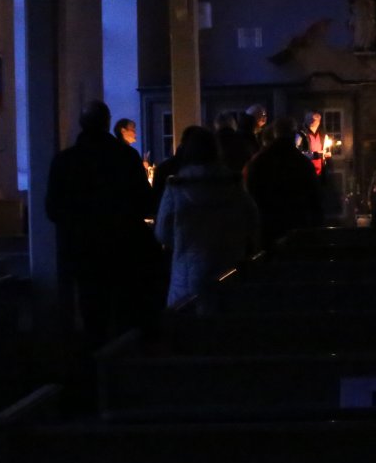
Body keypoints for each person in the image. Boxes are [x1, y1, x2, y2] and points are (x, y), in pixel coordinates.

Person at [44, 100, 158, 346]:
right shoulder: (125, 157)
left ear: (81, 125)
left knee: (91, 314)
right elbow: (146, 202)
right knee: (124, 313)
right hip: (122, 246)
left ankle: (93, 367)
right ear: (108, 124)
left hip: (82, 248)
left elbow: (52, 210)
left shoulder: (65, 161)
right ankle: (124, 367)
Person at [155, 126, 260, 310]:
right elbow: (252, 221)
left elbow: (162, 232)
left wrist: (181, 242)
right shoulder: (233, 184)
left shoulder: (176, 187)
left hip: (187, 271)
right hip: (228, 265)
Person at [244, 116, 323, 247]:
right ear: (294, 135)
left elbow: (250, 194)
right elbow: (314, 199)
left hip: (267, 227)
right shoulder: (302, 163)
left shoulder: (259, 162)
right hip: (297, 227)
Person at [114, 117, 155, 183]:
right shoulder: (131, 154)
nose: (135, 133)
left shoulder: (114, 151)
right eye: (133, 130)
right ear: (123, 131)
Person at [295, 110, 330, 176]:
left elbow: (326, 148)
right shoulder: (300, 135)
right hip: (307, 172)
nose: (315, 121)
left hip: (321, 171)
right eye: (312, 119)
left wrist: (326, 154)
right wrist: (314, 155)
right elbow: (296, 153)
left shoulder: (322, 135)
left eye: (317, 120)